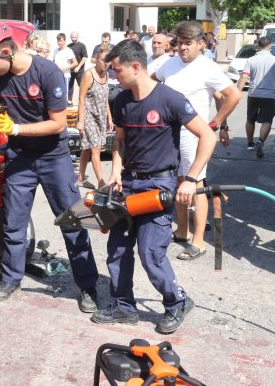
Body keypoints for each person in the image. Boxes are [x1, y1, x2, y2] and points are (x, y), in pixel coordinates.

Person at [0, 22, 100, 313]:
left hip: (54, 158)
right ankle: (11, 278)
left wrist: (14, 127)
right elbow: (6, 108)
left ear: (7, 50)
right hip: (20, 159)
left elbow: (57, 125)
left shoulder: (47, 72)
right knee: (13, 223)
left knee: (73, 222)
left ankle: (88, 286)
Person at [92, 39, 216, 334]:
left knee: (150, 252)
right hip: (128, 184)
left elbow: (207, 137)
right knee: (118, 248)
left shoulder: (169, 99)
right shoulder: (120, 101)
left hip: (159, 183)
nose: (113, 77)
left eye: (117, 71)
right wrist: (116, 172)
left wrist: (191, 178)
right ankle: (123, 306)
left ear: (136, 67)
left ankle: (177, 303)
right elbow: (120, 139)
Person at [154, 21, 240, 261]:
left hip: (194, 137)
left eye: (187, 43)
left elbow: (233, 95)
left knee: (196, 185)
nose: (181, 47)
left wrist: (215, 124)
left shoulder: (207, 67)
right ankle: (182, 230)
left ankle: (199, 241)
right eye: (179, 42)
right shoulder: (169, 64)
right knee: (179, 182)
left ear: (201, 44)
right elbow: (150, 81)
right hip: (170, 134)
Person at [236, 36, 275, 158]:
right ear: (269, 46)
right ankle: (260, 141)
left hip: (254, 94)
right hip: (269, 95)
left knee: (250, 119)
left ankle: (250, 143)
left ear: (258, 46)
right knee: (267, 120)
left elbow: (243, 77)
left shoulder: (251, 60)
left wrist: (238, 94)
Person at [76, 45, 112, 189]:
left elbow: (105, 98)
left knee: (87, 148)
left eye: (108, 61)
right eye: (103, 60)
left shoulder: (107, 75)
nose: (106, 64)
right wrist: (81, 121)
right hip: (89, 115)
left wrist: (109, 117)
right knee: (96, 148)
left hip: (101, 116)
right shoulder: (88, 75)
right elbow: (81, 98)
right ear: (96, 59)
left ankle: (80, 178)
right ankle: (101, 182)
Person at [52, 33, 78, 102]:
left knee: (64, 92)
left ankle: (65, 105)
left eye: (60, 41)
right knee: (56, 91)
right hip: (56, 75)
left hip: (65, 75)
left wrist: (65, 68)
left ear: (64, 41)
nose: (59, 42)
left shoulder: (68, 51)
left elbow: (75, 63)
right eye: (58, 41)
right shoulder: (55, 50)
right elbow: (54, 61)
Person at [68, 31, 88, 104]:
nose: (73, 39)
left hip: (79, 70)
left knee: (82, 85)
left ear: (77, 37)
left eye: (75, 37)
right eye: (72, 37)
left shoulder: (82, 46)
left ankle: (83, 101)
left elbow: (85, 57)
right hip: (70, 69)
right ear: (70, 37)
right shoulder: (68, 46)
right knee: (70, 85)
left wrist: (79, 66)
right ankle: (69, 101)